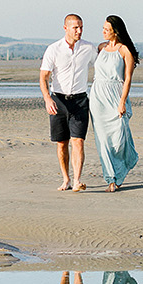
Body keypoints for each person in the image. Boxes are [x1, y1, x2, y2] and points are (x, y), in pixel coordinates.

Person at [39, 14, 97, 191]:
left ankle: (78, 180)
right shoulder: (53, 49)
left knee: (78, 140)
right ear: (65, 28)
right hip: (58, 100)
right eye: (75, 28)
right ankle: (66, 179)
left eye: (81, 27)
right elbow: (43, 77)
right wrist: (47, 98)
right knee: (62, 143)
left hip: (80, 100)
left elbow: (101, 65)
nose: (79, 31)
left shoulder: (88, 48)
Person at [89, 15, 139, 191]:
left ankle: (126, 162)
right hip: (97, 96)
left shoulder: (124, 50)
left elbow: (127, 80)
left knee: (118, 138)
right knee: (102, 140)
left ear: (115, 31)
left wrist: (122, 102)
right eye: (102, 28)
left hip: (115, 95)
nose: (102, 31)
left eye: (106, 29)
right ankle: (111, 179)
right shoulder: (101, 48)